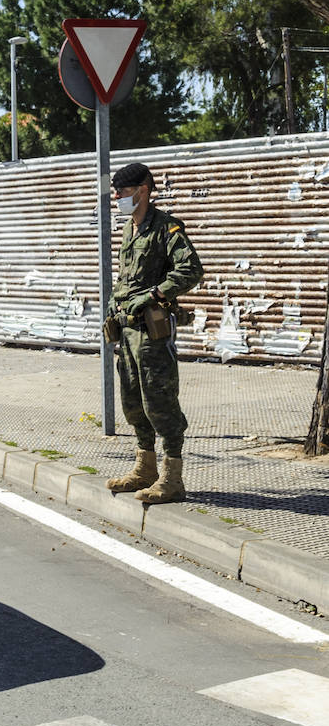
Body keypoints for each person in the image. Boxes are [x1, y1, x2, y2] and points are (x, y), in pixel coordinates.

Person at [103, 163, 204, 504]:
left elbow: (191, 270)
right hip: (128, 332)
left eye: (123, 191)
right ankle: (144, 468)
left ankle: (172, 478)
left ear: (143, 190)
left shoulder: (166, 228)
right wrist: (112, 307)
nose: (117, 197)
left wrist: (155, 295)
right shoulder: (130, 230)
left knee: (159, 402)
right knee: (133, 403)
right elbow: (126, 278)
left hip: (152, 332)